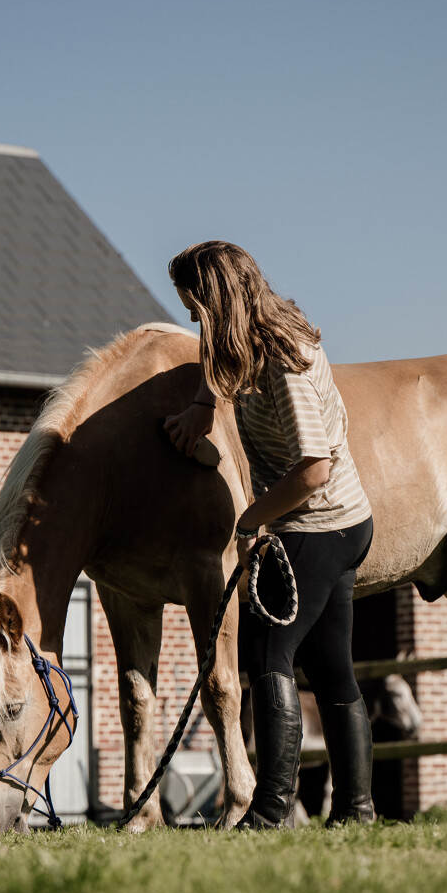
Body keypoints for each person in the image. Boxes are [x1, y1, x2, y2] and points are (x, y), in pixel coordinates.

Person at [163, 241, 376, 828]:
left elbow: (313, 468)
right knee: (332, 668)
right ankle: (356, 812)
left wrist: (252, 518)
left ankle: (269, 812)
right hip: (343, 521)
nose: (192, 322)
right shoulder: (251, 338)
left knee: (264, 653)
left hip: (320, 523)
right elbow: (218, 354)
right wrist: (204, 404)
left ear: (220, 301)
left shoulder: (285, 363)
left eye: (195, 309)